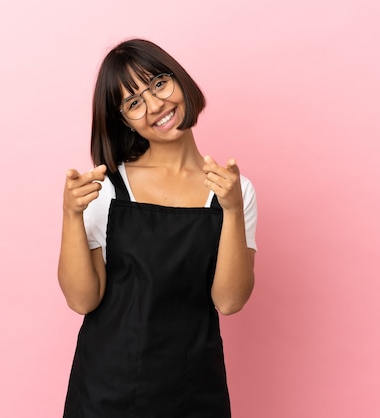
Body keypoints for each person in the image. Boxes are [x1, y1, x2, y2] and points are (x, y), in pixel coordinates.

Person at [58, 38, 257, 418]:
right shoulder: (107, 190)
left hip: (194, 390)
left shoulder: (234, 190)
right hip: (106, 392)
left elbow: (229, 302)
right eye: (134, 103)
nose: (155, 105)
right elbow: (82, 300)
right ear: (122, 119)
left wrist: (231, 210)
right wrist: (70, 215)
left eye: (159, 84)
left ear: (179, 80)